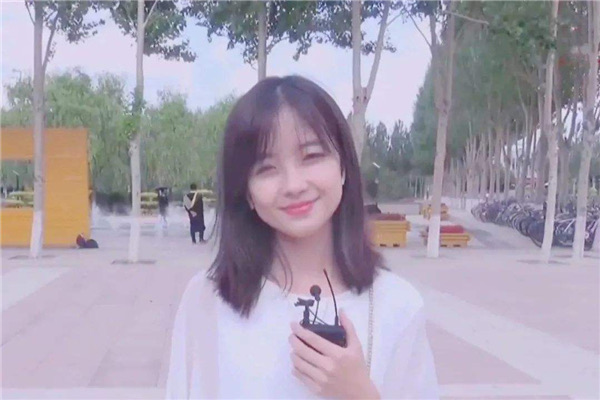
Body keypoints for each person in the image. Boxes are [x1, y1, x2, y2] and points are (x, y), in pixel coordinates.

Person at [165, 76, 439, 399]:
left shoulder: (398, 305)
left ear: (343, 167)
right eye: (266, 168)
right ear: (247, 191)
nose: (293, 185)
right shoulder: (207, 300)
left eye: (311, 157)